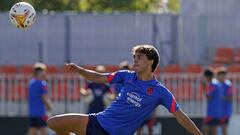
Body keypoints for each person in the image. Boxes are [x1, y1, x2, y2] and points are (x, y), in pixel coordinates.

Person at [47, 44, 203, 135]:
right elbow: (98, 77)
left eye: (139, 57)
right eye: (134, 57)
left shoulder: (160, 92)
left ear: (151, 62)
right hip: (98, 122)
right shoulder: (126, 76)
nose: (134, 60)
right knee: (54, 123)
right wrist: (78, 69)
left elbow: (181, 117)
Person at [27, 62, 53, 135]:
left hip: (32, 113)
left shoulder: (31, 83)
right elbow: (44, 98)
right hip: (41, 113)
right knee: (44, 131)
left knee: (32, 131)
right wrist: (49, 106)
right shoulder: (42, 83)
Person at [202, 68, 222, 135]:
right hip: (215, 111)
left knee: (207, 129)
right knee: (212, 130)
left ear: (207, 76)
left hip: (213, 112)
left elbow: (209, 98)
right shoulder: (215, 84)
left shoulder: (213, 84)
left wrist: (204, 88)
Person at [216, 67, 232, 135]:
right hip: (218, 111)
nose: (221, 77)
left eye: (223, 75)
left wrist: (222, 97)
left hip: (225, 111)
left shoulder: (228, 85)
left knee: (224, 129)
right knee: (216, 129)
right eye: (219, 75)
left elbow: (230, 98)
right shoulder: (216, 84)